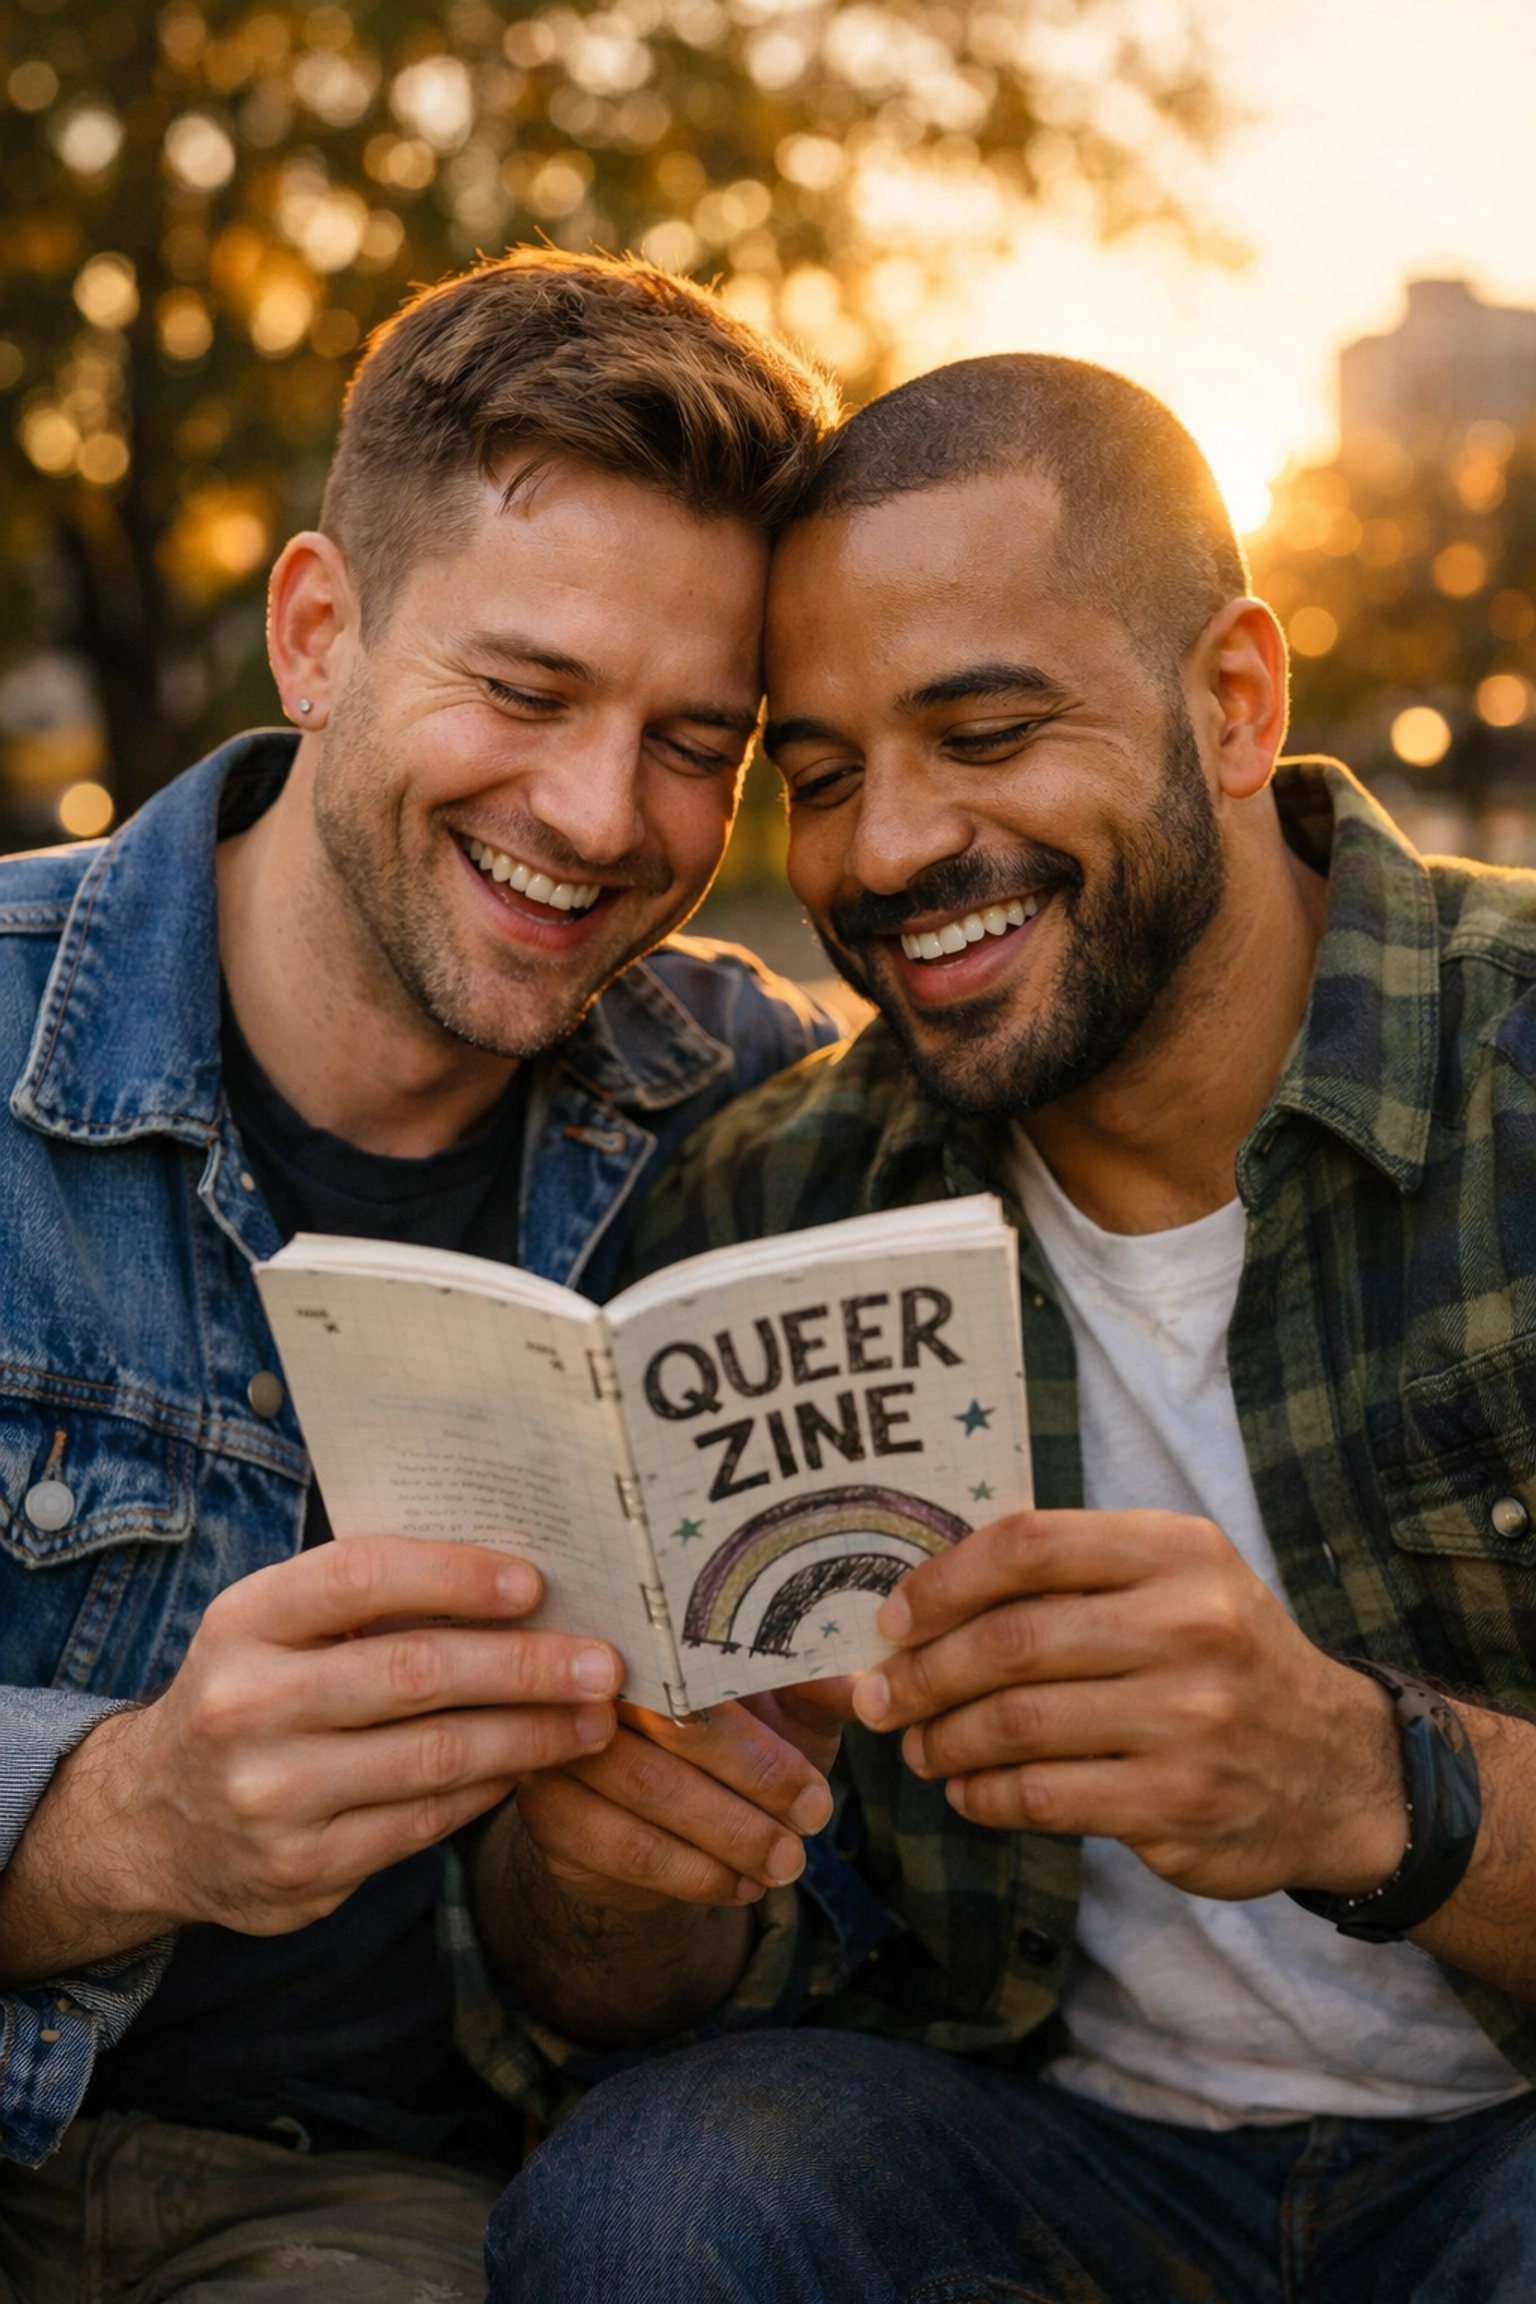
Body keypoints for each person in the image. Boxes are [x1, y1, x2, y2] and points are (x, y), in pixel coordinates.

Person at [482, 354, 1536, 2303]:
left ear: (1232, 700)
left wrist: (1369, 1785)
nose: (885, 854)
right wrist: (601, 1866)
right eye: (819, 776)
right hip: (1036, 2162)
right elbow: (599, 1995)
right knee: (658, 2202)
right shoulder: (768, 1206)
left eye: (984, 732)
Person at [0, 248, 846, 2300]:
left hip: (370, 2208)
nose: (595, 814)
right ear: (318, 632)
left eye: (691, 742)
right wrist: (107, 1827)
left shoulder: (768, 1130)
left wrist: (649, 1881)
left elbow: (661, 1994)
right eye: (529, 690)